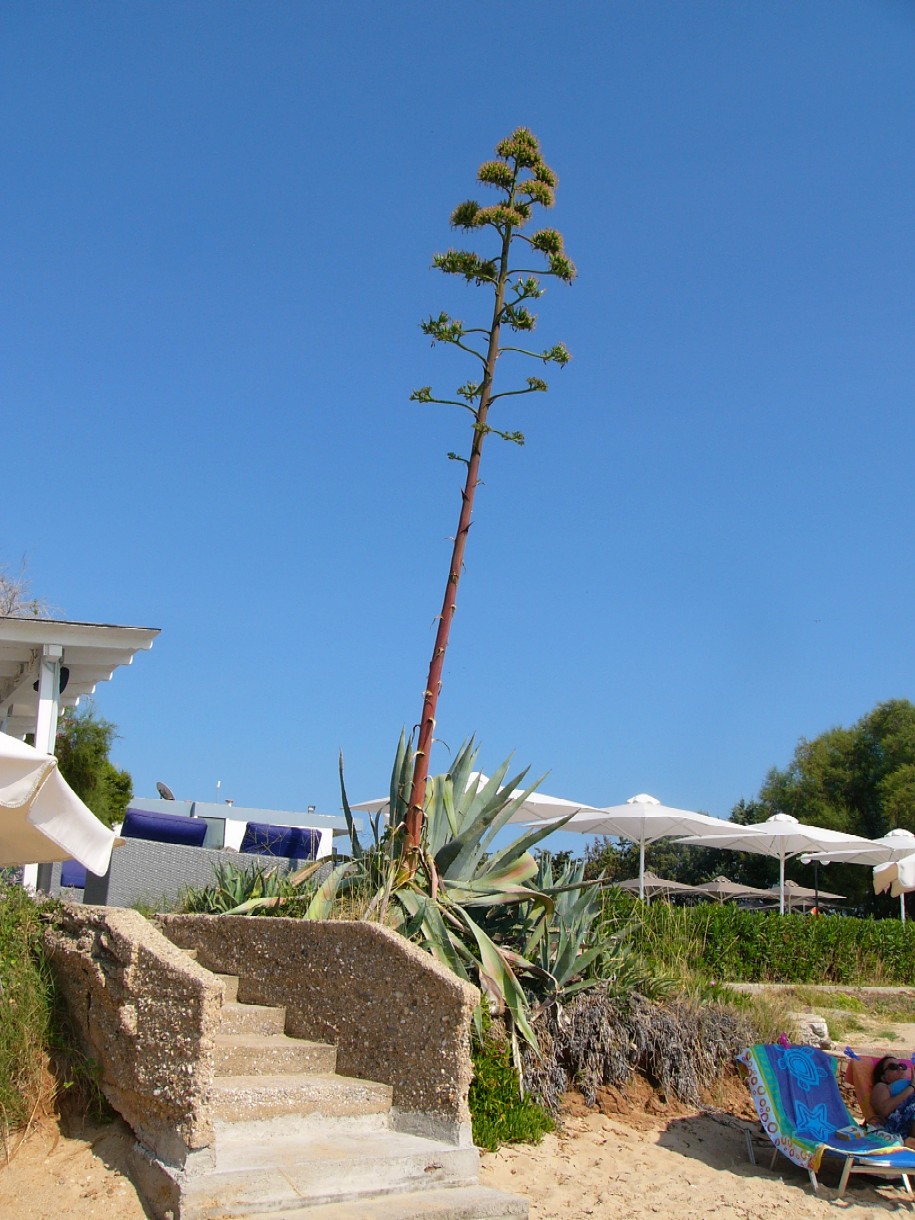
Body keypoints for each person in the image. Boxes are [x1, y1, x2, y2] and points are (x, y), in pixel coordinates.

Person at [871, 1056, 915, 1147]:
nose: (899, 1068)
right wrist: (912, 1087)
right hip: (900, 1123)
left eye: (902, 1066)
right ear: (883, 1077)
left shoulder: (909, 1082)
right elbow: (885, 1110)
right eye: (893, 1067)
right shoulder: (881, 1086)